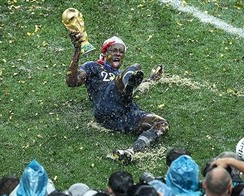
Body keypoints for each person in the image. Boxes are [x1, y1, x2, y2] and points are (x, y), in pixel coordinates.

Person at [66, 31, 168, 164]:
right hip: (105, 104)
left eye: (121, 51)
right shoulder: (94, 66)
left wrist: (152, 79)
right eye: (114, 50)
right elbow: (71, 81)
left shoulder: (123, 75)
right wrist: (77, 51)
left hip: (122, 115)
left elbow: (136, 82)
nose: (118, 54)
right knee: (135, 67)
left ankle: (131, 152)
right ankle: (127, 91)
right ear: (105, 52)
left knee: (161, 124)